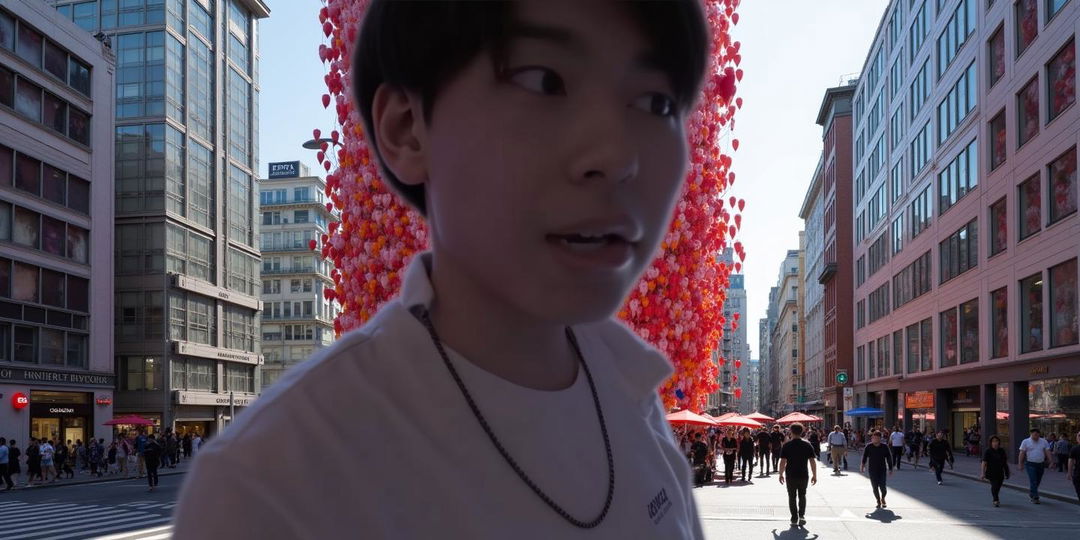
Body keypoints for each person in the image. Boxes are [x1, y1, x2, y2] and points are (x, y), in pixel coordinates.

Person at [175, 2, 712, 536]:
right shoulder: (270, 486)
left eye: (656, 102)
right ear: (407, 129)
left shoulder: (633, 392)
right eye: (545, 81)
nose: (618, 155)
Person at [778, 423, 817, 527]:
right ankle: (802, 516)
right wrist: (815, 475)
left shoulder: (787, 445)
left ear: (791, 432)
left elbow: (782, 462)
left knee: (792, 496)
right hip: (803, 474)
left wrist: (780, 474)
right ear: (802, 432)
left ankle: (794, 518)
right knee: (802, 495)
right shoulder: (807, 444)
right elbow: (812, 461)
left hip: (790, 475)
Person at [860, 431, 894, 509]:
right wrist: (862, 465)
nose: (874, 439)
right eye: (873, 438)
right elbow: (864, 457)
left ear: (880, 439)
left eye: (876, 438)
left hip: (882, 469)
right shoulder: (869, 446)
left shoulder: (884, 447)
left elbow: (889, 458)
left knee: (883, 487)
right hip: (872, 470)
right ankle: (878, 501)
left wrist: (890, 468)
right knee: (875, 487)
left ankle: (883, 498)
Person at [1018, 428, 1053, 504]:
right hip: (1030, 464)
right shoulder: (1026, 441)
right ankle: (1035, 497)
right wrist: (1020, 464)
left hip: (1041, 464)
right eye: (1034, 435)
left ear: (1039, 434)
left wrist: (1051, 461)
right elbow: (1022, 453)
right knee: (1033, 480)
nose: (1036, 436)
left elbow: (1047, 451)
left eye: (1037, 435)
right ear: (1031, 434)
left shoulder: (1044, 441)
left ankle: (1032, 493)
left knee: (1037, 480)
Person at [980, 435, 1010, 507]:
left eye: (996, 441)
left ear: (999, 442)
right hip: (991, 472)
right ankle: (995, 500)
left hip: (1000, 472)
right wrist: (982, 473)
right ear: (990, 443)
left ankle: (996, 496)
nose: (995, 443)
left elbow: (1004, 462)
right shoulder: (988, 451)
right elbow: (984, 462)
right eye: (993, 441)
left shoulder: (1001, 451)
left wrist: (1007, 472)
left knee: (998, 487)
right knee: (994, 485)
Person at [1068, 432, 1080, 505]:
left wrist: (1069, 473)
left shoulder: (1075, 448)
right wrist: (1069, 473)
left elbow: (1070, 461)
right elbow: (1071, 461)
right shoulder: (1075, 448)